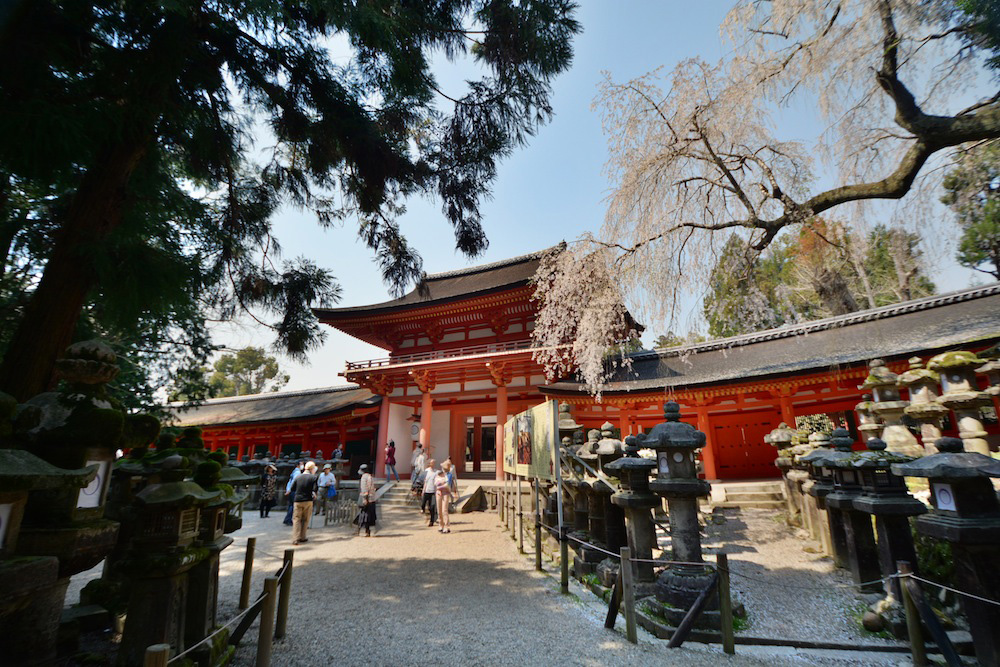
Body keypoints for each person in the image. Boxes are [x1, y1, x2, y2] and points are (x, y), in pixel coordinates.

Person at [290, 461, 318, 545]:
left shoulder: (298, 477)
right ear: (312, 469)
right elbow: (315, 489)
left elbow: (292, 488)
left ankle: (295, 538)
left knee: (296, 519)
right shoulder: (313, 478)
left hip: (298, 500)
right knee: (305, 519)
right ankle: (303, 536)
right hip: (308, 500)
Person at [356, 464, 378, 537]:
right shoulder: (370, 477)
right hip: (372, 498)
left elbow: (364, 489)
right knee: (370, 516)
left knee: (363, 515)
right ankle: (368, 531)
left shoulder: (364, 478)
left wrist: (365, 498)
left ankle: (361, 531)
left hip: (366, 498)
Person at [435, 465, 456, 533]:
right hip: (439, 493)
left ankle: (447, 526)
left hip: (445, 493)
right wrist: (441, 485)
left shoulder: (448, 475)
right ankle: (441, 524)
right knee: (439, 509)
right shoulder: (438, 475)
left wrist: (440, 486)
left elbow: (447, 485)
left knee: (444, 510)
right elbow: (435, 483)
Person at [283, 461, 304, 526]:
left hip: (291, 490)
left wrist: (288, 489)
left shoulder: (294, 471)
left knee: (291, 506)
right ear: (298, 465)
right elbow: (294, 482)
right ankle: (288, 519)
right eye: (301, 464)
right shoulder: (297, 472)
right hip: (294, 491)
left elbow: (289, 482)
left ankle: (287, 519)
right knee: (293, 506)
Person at [421, 459, 438, 527]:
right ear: (429, 464)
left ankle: (431, 521)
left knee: (432, 506)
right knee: (423, 504)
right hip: (427, 491)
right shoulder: (426, 471)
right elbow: (425, 481)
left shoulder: (436, 472)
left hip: (433, 492)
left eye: (434, 463)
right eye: (432, 463)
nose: (433, 464)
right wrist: (423, 490)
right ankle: (424, 512)